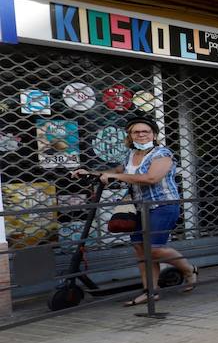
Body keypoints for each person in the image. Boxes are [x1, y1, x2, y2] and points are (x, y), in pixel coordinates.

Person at [74, 117, 197, 305]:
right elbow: (118, 170)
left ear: (154, 135)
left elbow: (150, 178)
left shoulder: (162, 154)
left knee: (153, 250)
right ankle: (150, 292)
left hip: (163, 205)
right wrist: (91, 173)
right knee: (141, 250)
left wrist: (114, 175)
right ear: (130, 136)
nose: (141, 135)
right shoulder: (131, 154)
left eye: (145, 132)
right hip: (139, 207)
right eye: (136, 132)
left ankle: (188, 269)